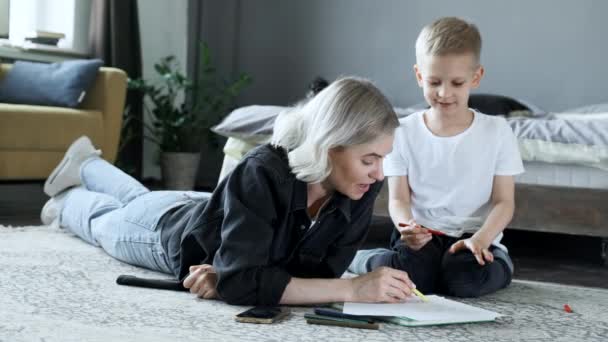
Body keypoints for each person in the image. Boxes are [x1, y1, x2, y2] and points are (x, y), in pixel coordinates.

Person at [40, 76, 414, 306]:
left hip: (208, 206)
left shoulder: (360, 186)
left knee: (137, 199)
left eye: (383, 158)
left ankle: (87, 163)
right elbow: (247, 282)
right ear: (331, 147)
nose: (379, 173)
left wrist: (241, 278)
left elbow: (309, 276)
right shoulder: (264, 171)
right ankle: (66, 197)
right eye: (369, 159)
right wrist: (351, 290)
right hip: (167, 230)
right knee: (105, 222)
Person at [348, 17, 524, 298]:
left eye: (456, 83)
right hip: (421, 235)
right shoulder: (402, 131)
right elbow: (398, 199)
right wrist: (407, 227)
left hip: (473, 238)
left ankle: (500, 261)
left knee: (463, 282)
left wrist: (481, 240)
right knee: (416, 282)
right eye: (434, 82)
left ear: (475, 77)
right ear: (419, 76)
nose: (444, 93)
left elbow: (504, 202)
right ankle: (365, 259)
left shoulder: (497, 131)